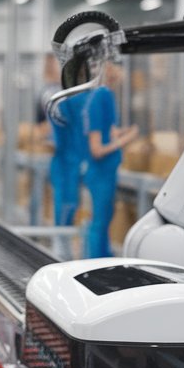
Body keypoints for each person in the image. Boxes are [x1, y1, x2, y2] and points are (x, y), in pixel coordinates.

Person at [84, 63, 139, 258]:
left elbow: (108, 131)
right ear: (107, 69)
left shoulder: (101, 97)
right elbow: (97, 149)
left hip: (104, 174)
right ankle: (94, 264)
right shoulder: (101, 97)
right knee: (99, 223)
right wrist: (126, 140)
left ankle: (98, 260)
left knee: (102, 220)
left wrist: (123, 132)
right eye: (117, 64)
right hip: (100, 174)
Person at [42, 56, 87, 230]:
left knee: (70, 207)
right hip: (66, 163)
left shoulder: (73, 100)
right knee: (65, 210)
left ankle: (63, 245)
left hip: (72, 162)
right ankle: (61, 249)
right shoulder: (57, 99)